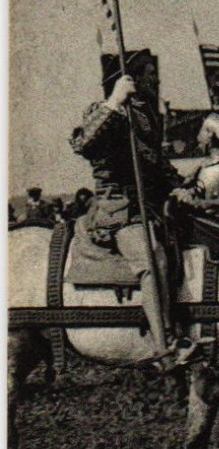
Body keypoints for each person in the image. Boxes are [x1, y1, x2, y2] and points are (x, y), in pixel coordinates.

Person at [69, 49, 195, 367]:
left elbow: (156, 162)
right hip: (119, 209)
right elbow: (85, 145)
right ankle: (162, 346)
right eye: (149, 73)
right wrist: (114, 101)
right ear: (132, 78)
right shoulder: (104, 110)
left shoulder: (145, 115)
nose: (156, 78)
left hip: (149, 207)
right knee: (153, 259)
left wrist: (179, 185)